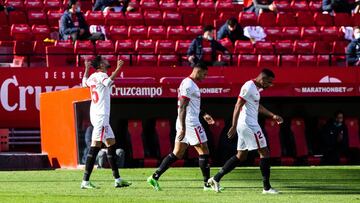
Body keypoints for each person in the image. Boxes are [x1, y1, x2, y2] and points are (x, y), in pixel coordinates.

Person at [208, 69, 284, 194]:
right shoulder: (248, 86)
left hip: (246, 124)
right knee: (264, 152)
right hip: (249, 125)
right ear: (263, 79)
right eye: (269, 82)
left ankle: (216, 179)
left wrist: (272, 115)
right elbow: (238, 104)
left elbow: (257, 106)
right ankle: (267, 188)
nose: (270, 85)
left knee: (241, 156)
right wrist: (233, 125)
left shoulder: (256, 89)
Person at [147, 62, 216, 191]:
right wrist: (184, 128)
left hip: (186, 121)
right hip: (190, 123)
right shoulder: (189, 84)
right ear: (198, 71)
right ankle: (207, 184)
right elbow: (183, 107)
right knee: (204, 150)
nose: (204, 77)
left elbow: (191, 105)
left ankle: (154, 177)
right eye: (204, 74)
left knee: (177, 153)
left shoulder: (190, 84)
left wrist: (204, 114)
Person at [81, 56, 131, 189]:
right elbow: (108, 82)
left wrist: (86, 69)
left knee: (111, 143)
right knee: (95, 146)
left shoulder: (92, 77)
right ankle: (85, 181)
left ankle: (118, 179)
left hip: (97, 114)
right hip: (101, 116)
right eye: (104, 60)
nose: (107, 60)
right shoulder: (102, 75)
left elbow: (84, 82)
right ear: (101, 65)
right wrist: (119, 68)